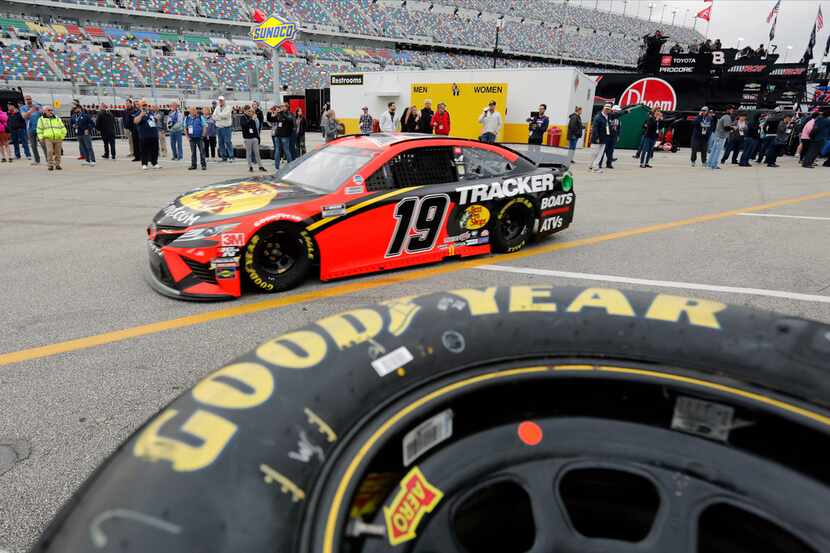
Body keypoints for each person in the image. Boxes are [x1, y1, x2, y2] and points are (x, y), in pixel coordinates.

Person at [36, 105, 66, 170]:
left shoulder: (57, 118)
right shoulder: (41, 119)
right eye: (48, 110)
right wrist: (41, 138)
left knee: (58, 152)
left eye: (51, 110)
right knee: (50, 151)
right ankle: (50, 165)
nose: (51, 111)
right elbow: (39, 129)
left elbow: (63, 128)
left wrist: (62, 136)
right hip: (48, 138)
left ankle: (57, 164)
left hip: (58, 138)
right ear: (44, 111)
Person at [133, 99, 160, 170]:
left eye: (146, 105)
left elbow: (154, 121)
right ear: (140, 106)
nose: (145, 107)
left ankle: (155, 162)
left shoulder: (151, 113)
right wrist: (141, 115)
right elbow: (135, 121)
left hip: (153, 135)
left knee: (155, 150)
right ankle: (144, 163)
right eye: (143, 105)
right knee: (144, 150)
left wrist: (157, 119)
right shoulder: (138, 113)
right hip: (144, 135)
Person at [21, 95, 46, 165]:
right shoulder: (23, 108)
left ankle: (48, 159)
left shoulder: (37, 106)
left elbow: (44, 114)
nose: (28, 100)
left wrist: (41, 110)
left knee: (43, 144)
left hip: (39, 129)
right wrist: (30, 111)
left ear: (31, 99)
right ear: (25, 100)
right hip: (30, 129)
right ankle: (37, 160)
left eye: (29, 99)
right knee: (33, 145)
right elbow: (24, 116)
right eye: (27, 99)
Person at [708, 105, 734, 170]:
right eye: (731, 109)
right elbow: (726, 127)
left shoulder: (723, 116)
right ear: (728, 110)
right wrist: (733, 128)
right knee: (718, 151)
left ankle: (710, 163)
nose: (732, 110)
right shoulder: (727, 117)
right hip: (721, 136)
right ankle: (714, 165)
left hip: (717, 135)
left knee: (714, 150)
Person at [240, 105, 265, 173]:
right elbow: (244, 125)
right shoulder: (242, 118)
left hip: (254, 138)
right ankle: (250, 166)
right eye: (249, 111)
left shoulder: (252, 118)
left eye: (250, 111)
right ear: (245, 111)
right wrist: (251, 119)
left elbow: (255, 129)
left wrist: (258, 138)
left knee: (257, 153)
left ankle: (260, 166)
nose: (250, 112)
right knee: (249, 153)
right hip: (247, 138)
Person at [184, 105, 207, 171]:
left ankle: (203, 165)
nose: (193, 111)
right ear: (189, 111)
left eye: (194, 110)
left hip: (199, 138)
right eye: (191, 110)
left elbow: (204, 126)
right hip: (192, 138)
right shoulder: (187, 118)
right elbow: (185, 128)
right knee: (193, 153)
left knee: (202, 152)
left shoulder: (200, 117)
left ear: (196, 111)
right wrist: (187, 137)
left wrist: (203, 135)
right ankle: (193, 165)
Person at [590, 103, 611, 173]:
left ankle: (593, 166)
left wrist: (625, 112)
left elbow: (617, 114)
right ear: (604, 109)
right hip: (597, 139)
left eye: (609, 109)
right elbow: (595, 128)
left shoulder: (607, 116)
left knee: (599, 154)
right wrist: (597, 138)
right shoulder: (598, 117)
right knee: (595, 153)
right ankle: (594, 167)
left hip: (604, 138)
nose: (607, 110)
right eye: (606, 109)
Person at [272, 103, 295, 168]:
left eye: (283, 106)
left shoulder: (290, 114)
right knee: (277, 150)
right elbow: (272, 119)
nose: (281, 107)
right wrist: (272, 113)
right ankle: (277, 166)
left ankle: (290, 166)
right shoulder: (279, 114)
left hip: (285, 135)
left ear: (287, 107)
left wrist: (282, 113)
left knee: (286, 150)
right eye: (281, 106)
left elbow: (290, 120)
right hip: (278, 135)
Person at [212, 96, 234, 162]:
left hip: (226, 128)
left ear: (224, 100)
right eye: (219, 100)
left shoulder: (228, 107)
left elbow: (226, 115)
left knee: (228, 142)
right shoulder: (217, 107)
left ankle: (231, 156)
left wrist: (218, 116)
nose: (220, 101)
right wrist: (220, 117)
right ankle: (223, 157)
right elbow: (213, 117)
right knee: (220, 143)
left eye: (222, 100)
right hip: (219, 128)